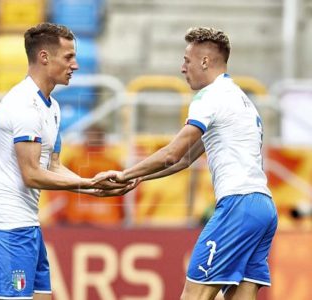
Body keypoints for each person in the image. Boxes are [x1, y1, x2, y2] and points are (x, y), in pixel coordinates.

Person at [112, 27, 278, 299]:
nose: (182, 68)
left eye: (187, 61)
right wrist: (140, 177)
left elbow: (172, 154)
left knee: (194, 295)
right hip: (263, 208)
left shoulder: (209, 96)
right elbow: (187, 159)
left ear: (204, 62)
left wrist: (124, 174)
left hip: (237, 205)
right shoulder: (240, 98)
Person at [0, 22, 133, 300]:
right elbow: (32, 174)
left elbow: (54, 165)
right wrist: (86, 184)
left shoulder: (52, 106)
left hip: (27, 223)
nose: (75, 65)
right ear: (44, 57)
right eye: (69, 57)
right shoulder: (23, 105)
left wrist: (95, 186)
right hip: (6, 225)